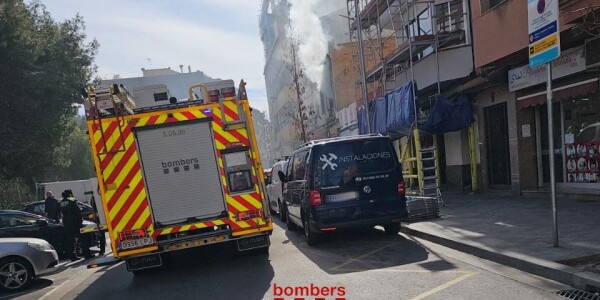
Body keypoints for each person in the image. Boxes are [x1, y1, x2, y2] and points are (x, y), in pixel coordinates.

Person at [60, 189, 93, 261]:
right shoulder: (72, 199)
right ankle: (87, 255)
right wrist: (80, 219)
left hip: (67, 223)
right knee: (82, 239)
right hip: (75, 222)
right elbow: (77, 211)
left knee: (70, 241)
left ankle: (72, 256)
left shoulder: (61, 202)